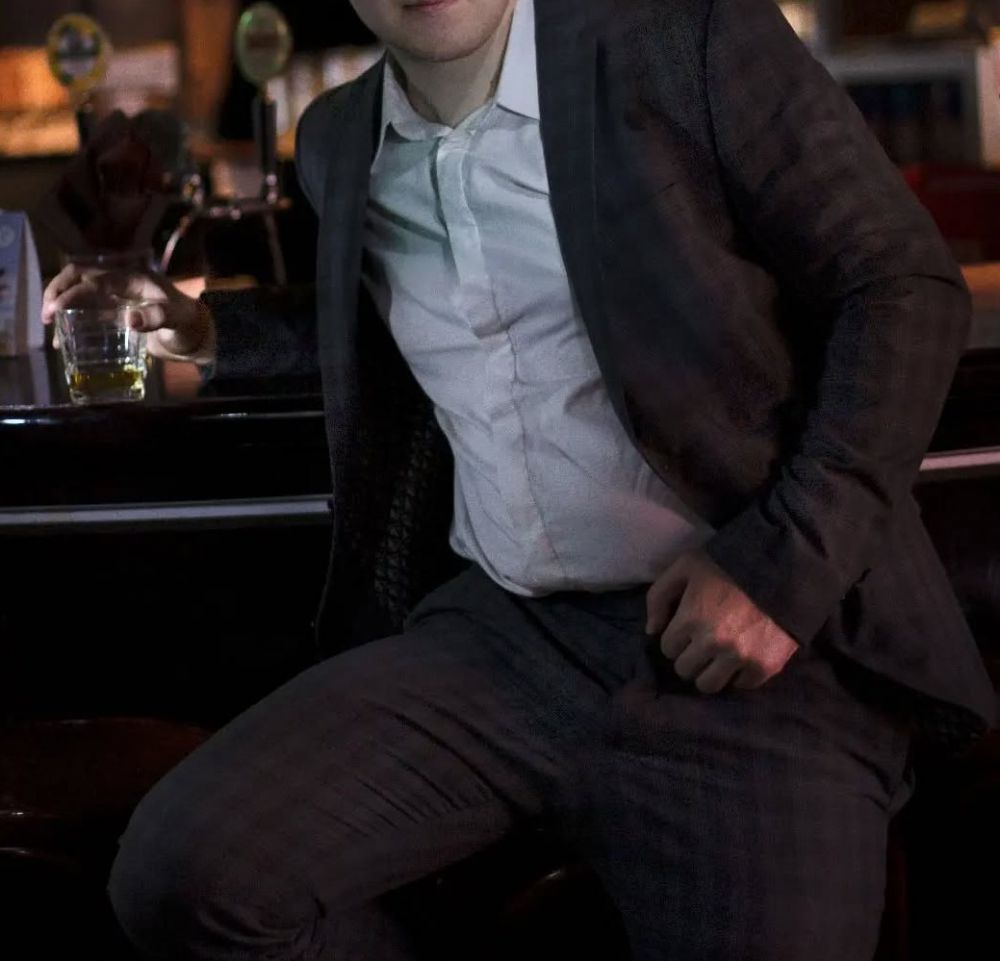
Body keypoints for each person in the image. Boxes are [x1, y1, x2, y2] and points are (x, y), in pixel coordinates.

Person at [42, 0, 998, 959]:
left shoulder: (686, 42)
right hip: (505, 642)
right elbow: (378, 322)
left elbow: (901, 286)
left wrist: (779, 569)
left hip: (750, 654)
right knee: (183, 877)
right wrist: (205, 328)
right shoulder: (337, 140)